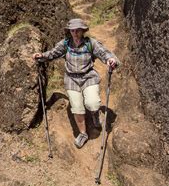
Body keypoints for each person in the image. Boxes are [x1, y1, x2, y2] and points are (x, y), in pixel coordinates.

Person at [32, 18, 120, 148]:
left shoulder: (90, 43)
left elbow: (104, 53)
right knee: (77, 108)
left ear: (83, 30)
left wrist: (111, 60)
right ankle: (83, 133)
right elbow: (53, 54)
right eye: (72, 30)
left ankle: (95, 114)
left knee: (93, 103)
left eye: (78, 30)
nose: (75, 32)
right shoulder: (65, 44)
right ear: (69, 31)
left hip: (88, 77)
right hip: (71, 79)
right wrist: (42, 56)